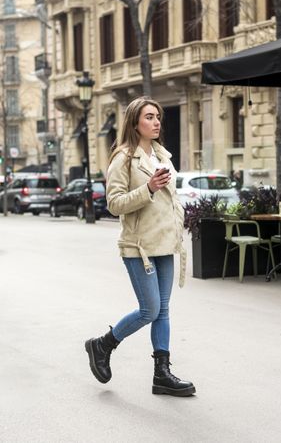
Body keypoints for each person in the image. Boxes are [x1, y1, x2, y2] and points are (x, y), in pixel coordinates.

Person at [85, 96, 196, 397]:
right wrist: (148, 188)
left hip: (165, 243)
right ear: (135, 122)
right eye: (149, 117)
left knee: (163, 311)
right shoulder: (123, 158)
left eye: (158, 116)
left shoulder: (162, 155)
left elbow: (169, 199)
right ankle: (103, 344)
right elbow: (114, 204)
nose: (157, 121)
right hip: (139, 247)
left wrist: (180, 221)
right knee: (150, 309)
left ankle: (162, 375)